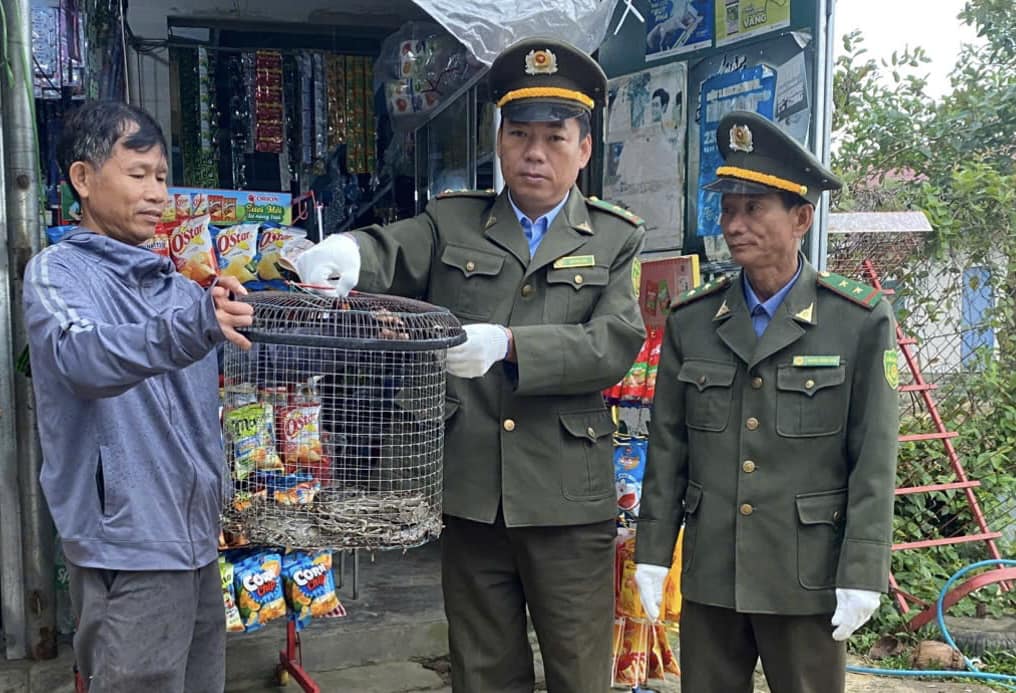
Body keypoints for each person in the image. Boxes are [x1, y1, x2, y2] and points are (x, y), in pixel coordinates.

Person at [296, 38, 646, 693]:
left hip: (566, 499)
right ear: (499, 140)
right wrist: (344, 249)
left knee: (579, 671)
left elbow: (613, 342)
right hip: (472, 493)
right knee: (483, 672)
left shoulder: (614, 236)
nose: (534, 153)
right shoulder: (453, 222)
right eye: (518, 134)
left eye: (553, 137)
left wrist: (511, 345)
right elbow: (393, 249)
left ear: (585, 149)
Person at [634, 110, 900, 693]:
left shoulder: (856, 321)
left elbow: (874, 458)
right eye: (728, 208)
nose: (734, 224)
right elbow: (669, 446)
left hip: (805, 574)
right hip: (712, 571)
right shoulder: (695, 320)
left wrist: (863, 569)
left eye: (754, 208)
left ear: (802, 217)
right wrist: (653, 550)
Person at [23, 100, 254, 692]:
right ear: (82, 179)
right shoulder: (58, 274)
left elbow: (235, 364)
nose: (156, 192)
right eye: (137, 174)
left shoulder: (180, 289)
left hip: (197, 538)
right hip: (127, 545)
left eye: (161, 176)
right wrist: (196, 323)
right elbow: (83, 358)